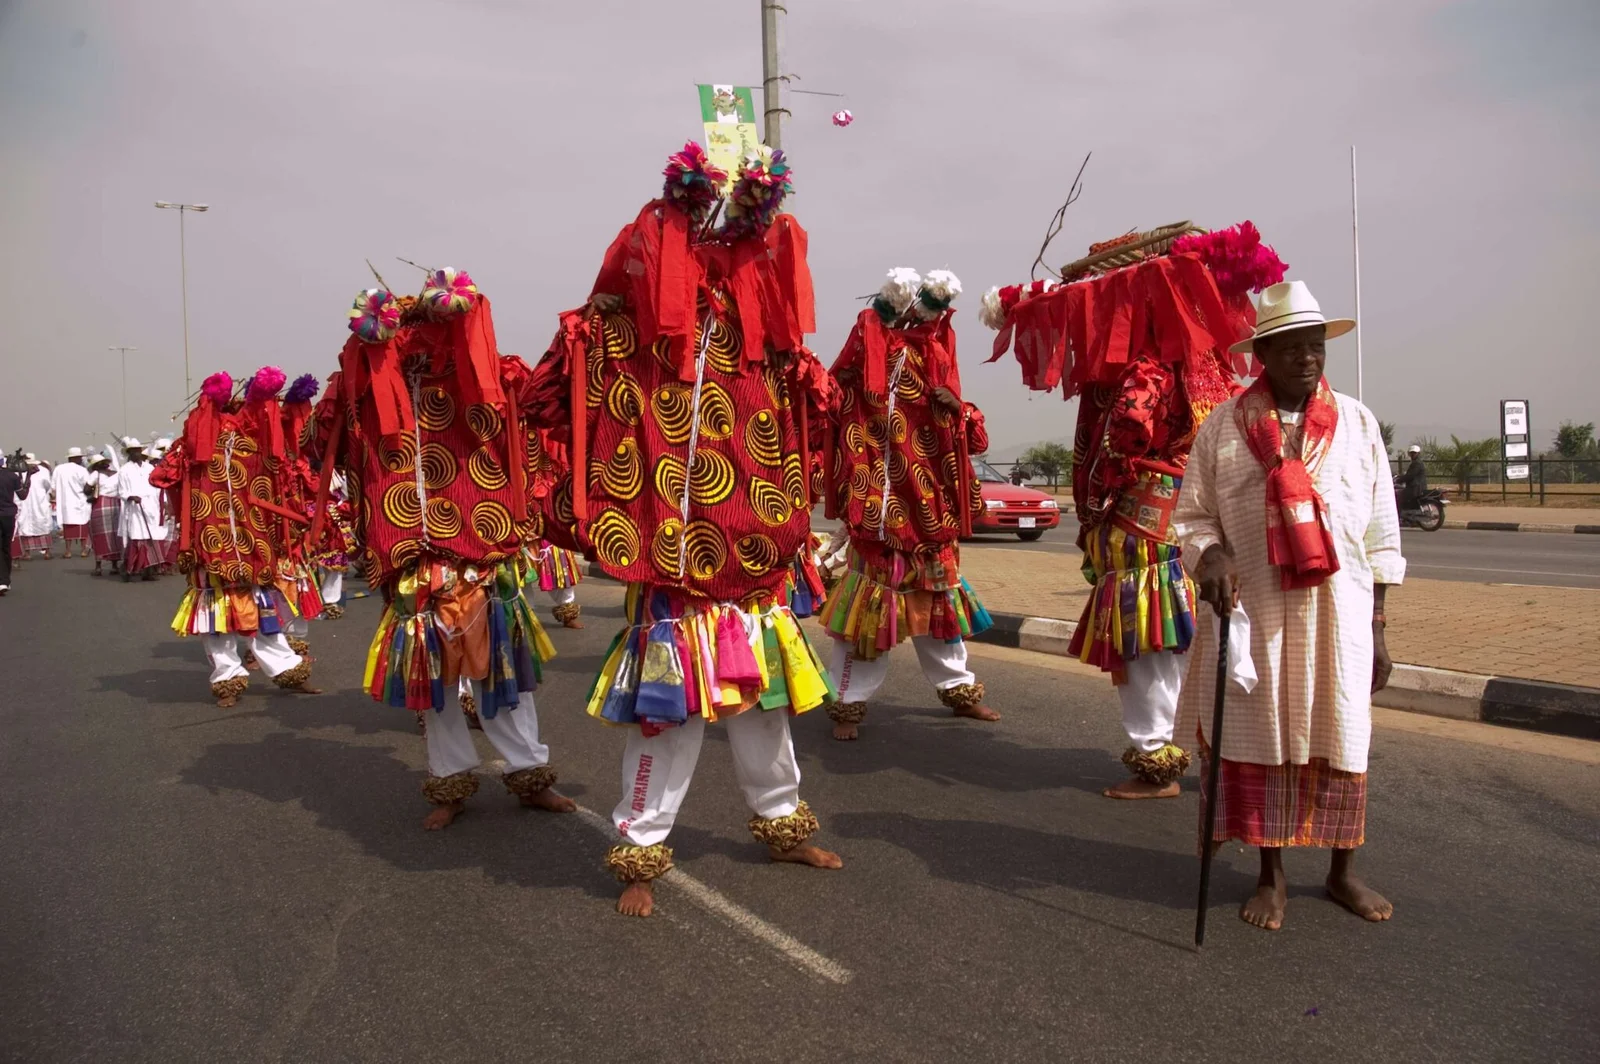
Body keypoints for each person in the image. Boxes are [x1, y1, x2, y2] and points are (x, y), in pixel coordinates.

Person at [529, 142, 842, 916]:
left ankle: (781, 823)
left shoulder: (759, 335)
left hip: (753, 546)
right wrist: (588, 332)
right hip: (669, 554)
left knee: (764, 706)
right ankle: (640, 848)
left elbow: (824, 410)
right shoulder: (626, 337)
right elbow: (544, 399)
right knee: (665, 716)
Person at [984, 221, 1282, 799]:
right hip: (1204, 520)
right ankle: (1234, 749)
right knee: (1204, 635)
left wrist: (1101, 491)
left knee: (1147, 643)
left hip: (1145, 522)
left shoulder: (1144, 368)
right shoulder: (1209, 363)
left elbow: (1127, 432)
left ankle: (1156, 759)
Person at [1175, 279, 1404, 932]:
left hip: (1340, 619)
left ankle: (1341, 873)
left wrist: (1380, 627)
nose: (1308, 359)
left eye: (1316, 348)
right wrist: (1209, 553)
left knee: (1342, 736)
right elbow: (1192, 517)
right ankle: (1270, 876)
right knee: (1264, 738)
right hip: (1259, 620)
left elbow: (1380, 532)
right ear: (1263, 355)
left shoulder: (1357, 425)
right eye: (1293, 348)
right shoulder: (1222, 428)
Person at [311, 267, 573, 831]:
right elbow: (317, 446)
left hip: (482, 547)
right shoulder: (362, 385)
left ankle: (528, 774)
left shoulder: (485, 375)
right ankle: (450, 781)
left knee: (501, 672)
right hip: (407, 554)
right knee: (431, 683)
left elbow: (538, 410)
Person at [819, 267, 997, 740]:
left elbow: (975, 439)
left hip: (930, 515)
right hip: (877, 515)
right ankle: (848, 705)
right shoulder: (859, 379)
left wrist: (958, 408)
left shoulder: (936, 366)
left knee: (940, 609)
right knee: (866, 621)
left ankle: (959, 691)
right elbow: (825, 401)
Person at [153, 369, 323, 707]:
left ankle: (286, 669)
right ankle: (227, 680)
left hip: (252, 543)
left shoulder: (255, 443)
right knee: (217, 621)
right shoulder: (193, 445)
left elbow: (285, 479)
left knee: (264, 613)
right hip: (209, 542)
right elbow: (163, 476)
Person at [114, 439, 166, 581]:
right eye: (134, 451)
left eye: (138, 450)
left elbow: (156, 486)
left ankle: (148, 571)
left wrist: (160, 504)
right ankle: (129, 569)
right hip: (134, 509)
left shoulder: (149, 468)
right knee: (137, 538)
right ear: (129, 453)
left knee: (151, 538)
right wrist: (131, 497)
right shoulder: (124, 471)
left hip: (151, 507)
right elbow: (122, 491)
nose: (137, 453)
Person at [0, 454, 32, 595]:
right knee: (6, 547)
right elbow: (23, 496)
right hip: (8, 515)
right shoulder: (12, 476)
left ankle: (2, 580)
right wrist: (28, 480)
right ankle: (5, 581)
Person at [86, 452, 123, 576]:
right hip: (116, 504)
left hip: (101, 504)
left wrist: (91, 491)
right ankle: (114, 566)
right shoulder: (116, 474)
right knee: (115, 534)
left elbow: (86, 489)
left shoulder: (95, 474)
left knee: (99, 535)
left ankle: (98, 567)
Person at [53, 448, 92, 558]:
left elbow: (53, 487)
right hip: (80, 502)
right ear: (75, 458)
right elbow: (88, 485)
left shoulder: (58, 469)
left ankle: (68, 551)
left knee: (68, 527)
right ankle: (84, 550)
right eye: (79, 457)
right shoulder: (82, 470)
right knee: (82, 527)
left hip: (65, 503)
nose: (81, 459)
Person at [15, 456, 55, 560]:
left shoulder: (43, 471)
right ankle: (27, 553)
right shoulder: (20, 472)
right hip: (25, 502)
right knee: (25, 525)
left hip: (39, 501)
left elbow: (47, 486)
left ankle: (46, 551)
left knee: (42, 524)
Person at [1398, 444, 1427, 510]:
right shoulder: (1417, 462)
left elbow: (1410, 476)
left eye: (1414, 453)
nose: (1413, 454)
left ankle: (1404, 512)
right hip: (1417, 486)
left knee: (1400, 495)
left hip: (1415, 488)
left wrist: (1399, 480)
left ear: (1418, 453)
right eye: (1411, 453)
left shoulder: (1417, 463)